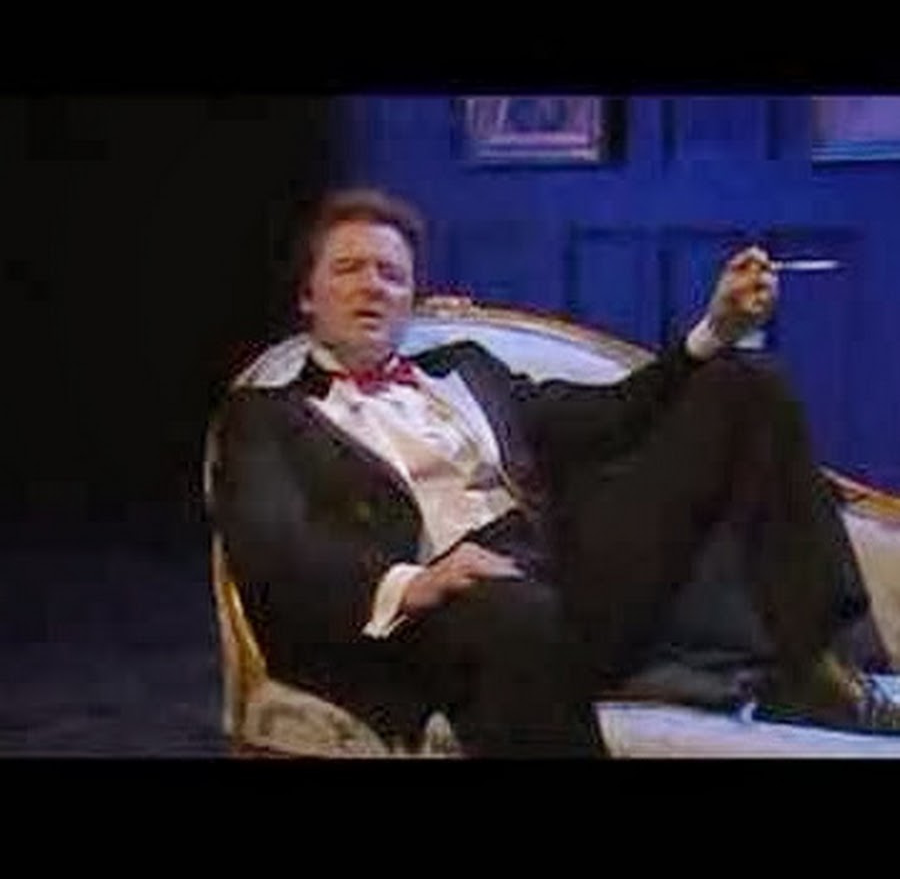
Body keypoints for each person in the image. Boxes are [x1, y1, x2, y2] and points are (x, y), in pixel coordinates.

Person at [210, 187, 899, 758]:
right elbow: (275, 542)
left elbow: (606, 416)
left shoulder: (467, 370)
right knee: (511, 614)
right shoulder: (264, 416)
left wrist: (712, 330)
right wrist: (415, 582)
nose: (372, 287)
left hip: (567, 576)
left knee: (743, 381)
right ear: (309, 296)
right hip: (438, 610)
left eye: (391, 275)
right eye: (349, 269)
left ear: (412, 297)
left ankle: (812, 669)